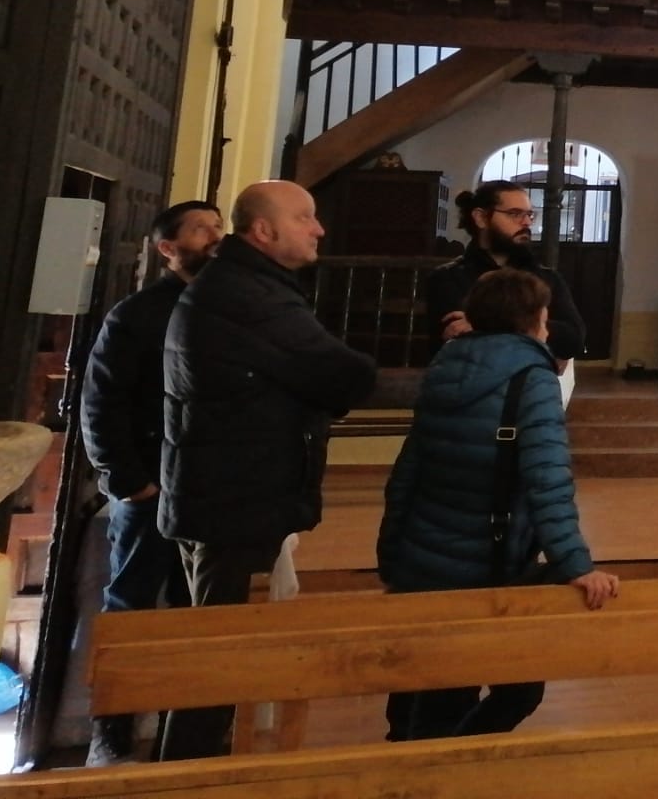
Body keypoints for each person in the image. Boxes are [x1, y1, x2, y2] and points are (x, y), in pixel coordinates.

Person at [158, 181, 378, 760]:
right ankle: (185, 777)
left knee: (222, 650)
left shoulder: (245, 285)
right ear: (263, 231)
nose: (319, 228)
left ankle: (197, 763)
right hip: (234, 497)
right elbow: (339, 372)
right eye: (305, 218)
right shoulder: (249, 295)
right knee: (218, 659)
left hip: (228, 491)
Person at [378, 268, 619, 740]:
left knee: (435, 691)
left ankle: (416, 758)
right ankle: (429, 775)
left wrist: (393, 552)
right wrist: (576, 563)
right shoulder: (532, 377)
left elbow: (408, 469)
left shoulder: (446, 365)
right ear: (531, 321)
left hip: (425, 554)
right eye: (546, 319)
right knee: (497, 693)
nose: (549, 329)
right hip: (485, 561)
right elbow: (547, 479)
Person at [78, 200, 222, 765]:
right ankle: (110, 735)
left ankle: (179, 735)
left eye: (218, 226)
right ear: (168, 248)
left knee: (196, 614)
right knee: (132, 608)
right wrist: (127, 479)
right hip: (150, 487)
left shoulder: (227, 308)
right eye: (201, 229)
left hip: (206, 487)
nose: (215, 236)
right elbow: (102, 400)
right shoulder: (136, 314)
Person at [426, 182, 586, 395]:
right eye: (515, 214)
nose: (526, 222)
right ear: (481, 217)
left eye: (530, 215)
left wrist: (484, 324)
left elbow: (573, 338)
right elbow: (458, 342)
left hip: (532, 391)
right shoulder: (447, 277)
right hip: (468, 391)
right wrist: (535, 329)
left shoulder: (547, 278)